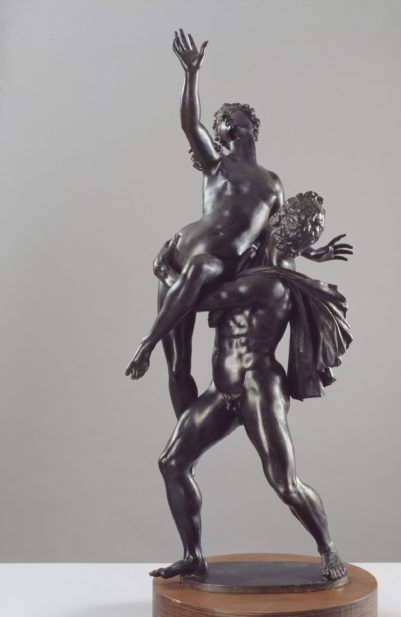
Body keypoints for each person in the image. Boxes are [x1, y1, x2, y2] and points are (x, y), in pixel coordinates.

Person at [143, 192, 354, 581]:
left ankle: (327, 548)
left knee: (285, 483)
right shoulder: (255, 254)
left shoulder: (269, 283)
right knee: (172, 464)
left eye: (297, 234)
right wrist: (317, 252)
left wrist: (163, 270)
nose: (285, 234)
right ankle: (193, 556)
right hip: (222, 388)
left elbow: (195, 301)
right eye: (290, 228)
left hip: (259, 388)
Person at [125, 29, 285, 416]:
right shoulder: (217, 164)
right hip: (179, 260)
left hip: (214, 266)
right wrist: (191, 73)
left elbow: (278, 237)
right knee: (178, 367)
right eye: (222, 118)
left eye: (232, 116)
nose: (226, 120)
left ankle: (146, 344)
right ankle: (186, 438)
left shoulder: (272, 183)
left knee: (199, 266)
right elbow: (189, 123)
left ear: (251, 123)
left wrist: (315, 251)